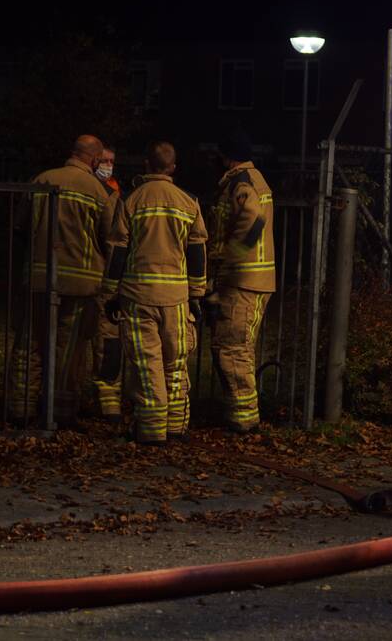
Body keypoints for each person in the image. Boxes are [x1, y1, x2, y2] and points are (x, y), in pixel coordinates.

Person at [102, 141, 207, 446]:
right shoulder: (189, 202)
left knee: (148, 366)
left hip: (138, 298)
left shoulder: (132, 200)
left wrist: (111, 293)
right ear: (173, 168)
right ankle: (176, 428)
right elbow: (198, 250)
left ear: (147, 165)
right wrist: (196, 294)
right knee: (175, 364)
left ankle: (150, 432)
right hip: (177, 299)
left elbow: (118, 250)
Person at [9, 135, 110, 424]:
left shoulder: (42, 179)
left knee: (29, 345)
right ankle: (60, 413)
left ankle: (20, 408)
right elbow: (110, 239)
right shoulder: (98, 191)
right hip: (82, 285)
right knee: (69, 351)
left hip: (39, 278)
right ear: (94, 160)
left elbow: (20, 227)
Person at [206, 127, 275, 433]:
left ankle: (244, 422)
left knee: (232, 349)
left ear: (227, 157)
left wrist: (231, 258)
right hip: (251, 279)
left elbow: (253, 220)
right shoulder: (253, 179)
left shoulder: (241, 183)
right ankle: (240, 418)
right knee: (235, 347)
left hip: (243, 281)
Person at [91, 148, 124, 417]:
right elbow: (114, 242)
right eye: (104, 161)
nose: (109, 166)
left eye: (112, 161)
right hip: (99, 275)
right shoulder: (101, 193)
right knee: (105, 338)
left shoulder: (114, 192)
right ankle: (107, 401)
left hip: (97, 275)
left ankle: (107, 402)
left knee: (107, 341)